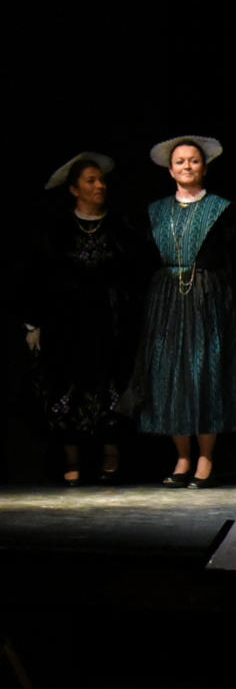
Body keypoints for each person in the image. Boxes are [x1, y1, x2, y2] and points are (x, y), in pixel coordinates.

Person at [123, 135, 236, 487]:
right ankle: (182, 458)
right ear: (170, 169)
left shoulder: (223, 209)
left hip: (208, 298)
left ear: (204, 168)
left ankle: (206, 457)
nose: (187, 167)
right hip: (167, 300)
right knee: (170, 374)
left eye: (194, 161)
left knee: (204, 373)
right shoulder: (155, 211)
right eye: (180, 161)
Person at [25, 153, 148, 485]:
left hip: (111, 322)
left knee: (112, 384)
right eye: (91, 181)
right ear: (74, 189)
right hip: (68, 323)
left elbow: (136, 275)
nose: (100, 186)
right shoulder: (57, 231)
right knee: (66, 384)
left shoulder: (121, 227)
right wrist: (33, 323)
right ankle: (72, 458)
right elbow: (38, 277)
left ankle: (111, 455)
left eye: (101, 180)